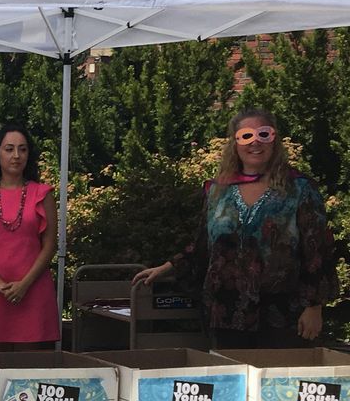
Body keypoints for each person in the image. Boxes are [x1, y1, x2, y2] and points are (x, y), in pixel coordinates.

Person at [133, 109, 337, 347]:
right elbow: (202, 245)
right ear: (235, 143)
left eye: (263, 134)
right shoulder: (218, 191)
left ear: (275, 140)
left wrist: (314, 307)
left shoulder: (300, 189)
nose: (255, 143)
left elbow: (317, 250)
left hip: (283, 316)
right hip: (225, 314)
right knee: (232, 382)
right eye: (246, 136)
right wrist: (168, 267)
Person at [0, 124, 58, 348]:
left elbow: (50, 244)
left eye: (22, 149)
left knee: (33, 372)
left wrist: (24, 285)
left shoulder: (42, 193)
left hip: (33, 292)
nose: (16, 156)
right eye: (9, 149)